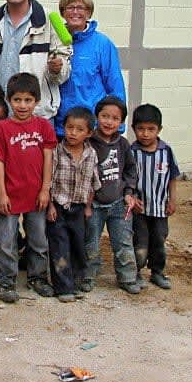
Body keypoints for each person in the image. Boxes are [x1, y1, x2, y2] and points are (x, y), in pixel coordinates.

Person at [0, 72, 57, 303]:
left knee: (38, 240)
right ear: (9, 100)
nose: (23, 105)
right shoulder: (3, 129)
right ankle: (4, 280)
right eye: (17, 100)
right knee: (5, 241)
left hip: (36, 195)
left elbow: (48, 158)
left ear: (36, 101)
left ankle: (37, 277)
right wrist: (1, 193)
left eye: (28, 100)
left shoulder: (43, 126)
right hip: (10, 195)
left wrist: (45, 189)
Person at [84, 96, 139, 295]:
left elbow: (130, 171)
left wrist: (129, 192)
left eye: (115, 118)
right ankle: (88, 276)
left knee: (123, 241)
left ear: (122, 122)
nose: (109, 121)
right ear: (96, 117)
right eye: (104, 116)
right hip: (94, 205)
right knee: (90, 242)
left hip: (119, 204)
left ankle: (127, 277)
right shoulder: (88, 143)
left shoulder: (123, 145)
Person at [54, 0, 125, 137]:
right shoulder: (54, 41)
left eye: (80, 8)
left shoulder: (102, 44)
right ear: (62, 12)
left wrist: (117, 125)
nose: (75, 12)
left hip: (91, 127)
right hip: (62, 126)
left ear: (89, 13)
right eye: (70, 7)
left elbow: (114, 84)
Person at [47, 107, 100, 303]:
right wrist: (50, 206)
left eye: (79, 130)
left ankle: (76, 283)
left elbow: (92, 183)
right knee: (60, 246)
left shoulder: (91, 154)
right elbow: (49, 181)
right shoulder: (56, 152)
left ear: (89, 133)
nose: (73, 133)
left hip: (78, 208)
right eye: (69, 128)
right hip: (58, 207)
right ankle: (63, 287)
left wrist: (87, 207)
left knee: (78, 246)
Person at [131, 103, 181, 290]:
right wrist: (132, 198)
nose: (145, 134)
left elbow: (173, 178)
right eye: (141, 129)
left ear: (159, 129)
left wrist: (172, 200)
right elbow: (127, 179)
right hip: (140, 209)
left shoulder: (166, 151)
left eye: (150, 129)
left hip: (160, 208)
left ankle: (157, 272)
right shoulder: (132, 152)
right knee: (140, 241)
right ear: (134, 129)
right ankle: (135, 272)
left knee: (159, 240)